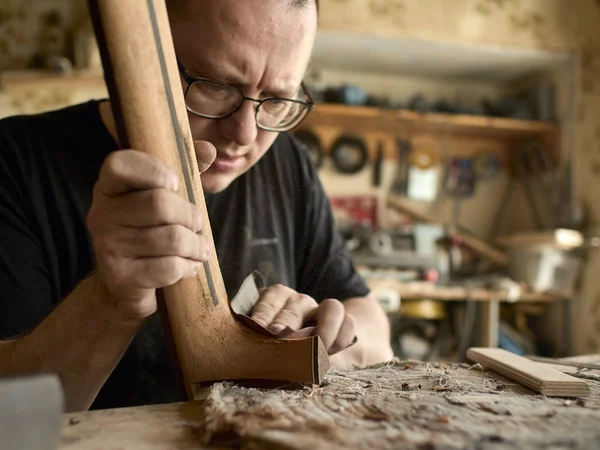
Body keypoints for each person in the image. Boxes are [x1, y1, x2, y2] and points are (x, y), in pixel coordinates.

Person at [0, 0, 393, 412]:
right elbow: (13, 415)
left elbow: (373, 327)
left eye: (277, 99)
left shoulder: (288, 162)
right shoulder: (15, 161)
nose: (244, 134)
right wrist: (111, 302)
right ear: (150, 55)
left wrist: (326, 343)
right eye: (216, 86)